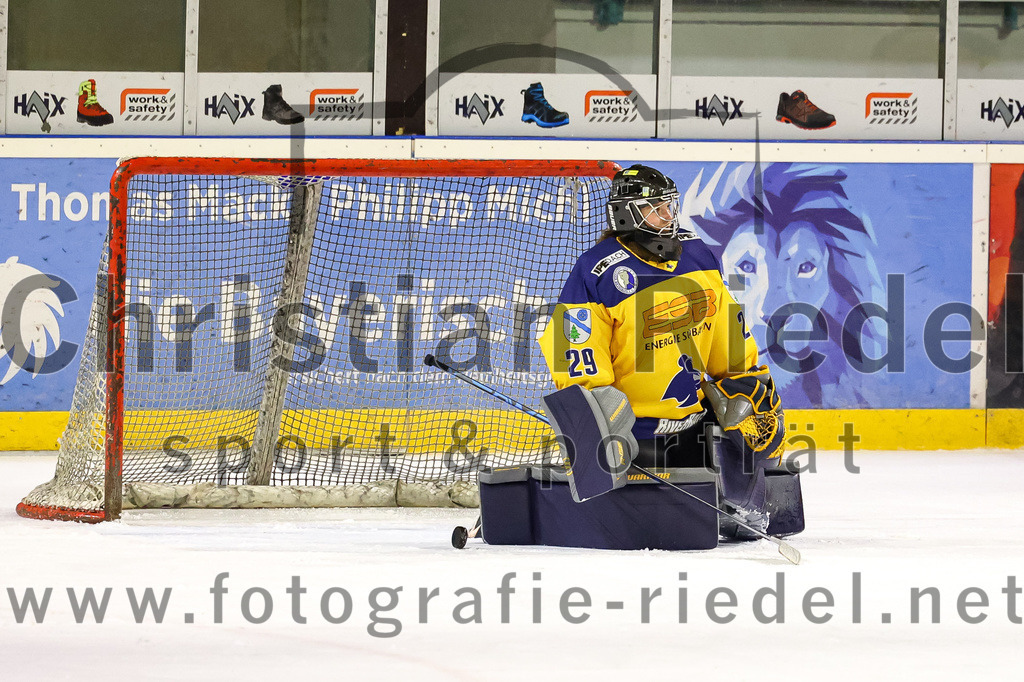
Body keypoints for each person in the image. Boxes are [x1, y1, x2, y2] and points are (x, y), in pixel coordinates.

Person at [539, 164, 785, 539]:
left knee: (751, 399)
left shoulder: (697, 255)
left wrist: (748, 382)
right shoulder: (597, 272)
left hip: (691, 428)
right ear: (627, 215)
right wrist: (596, 421)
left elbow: (728, 339)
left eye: (669, 206)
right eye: (656, 209)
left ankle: (741, 498)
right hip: (632, 440)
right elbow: (575, 353)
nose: (668, 216)